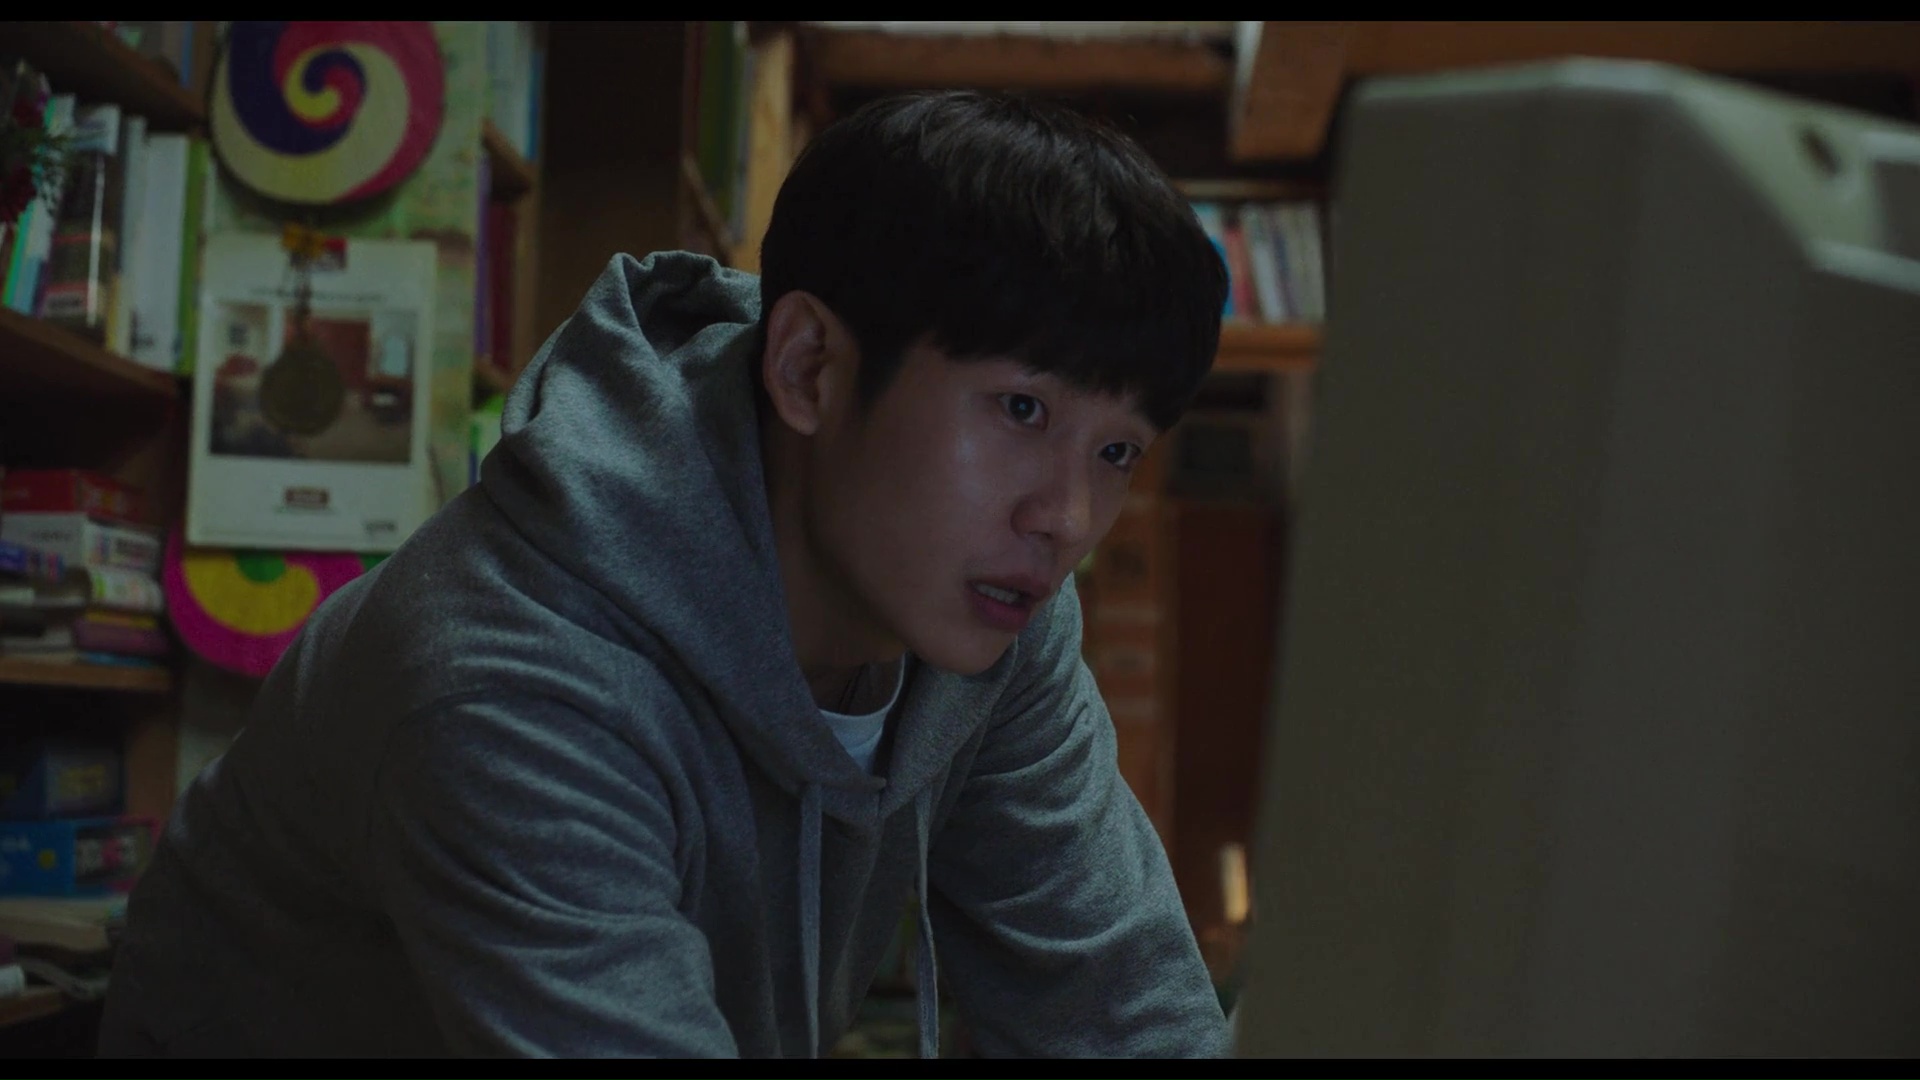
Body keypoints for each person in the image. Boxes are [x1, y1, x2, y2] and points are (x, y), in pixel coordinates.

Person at [97, 88, 1231, 1058]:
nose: (1066, 518)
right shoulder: (515, 682)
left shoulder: (996, 616)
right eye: (1022, 409)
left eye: (1116, 452)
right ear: (810, 369)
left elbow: (1125, 1014)